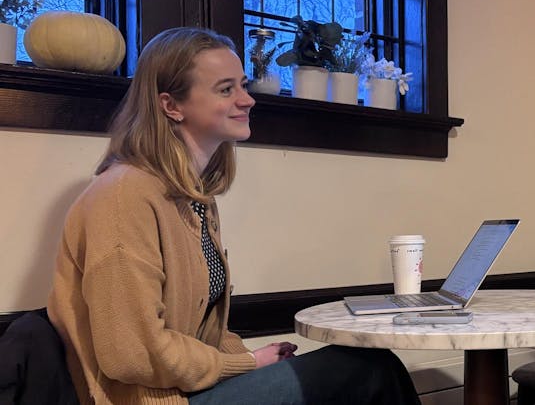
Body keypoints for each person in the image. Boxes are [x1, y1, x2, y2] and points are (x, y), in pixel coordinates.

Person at [47, 28, 420, 405]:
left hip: (192, 388)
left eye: (242, 85)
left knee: (365, 368)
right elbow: (132, 353)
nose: (247, 100)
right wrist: (245, 363)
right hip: (150, 399)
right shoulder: (122, 195)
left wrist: (248, 361)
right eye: (226, 90)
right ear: (171, 105)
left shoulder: (192, 195)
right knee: (368, 370)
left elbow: (205, 325)